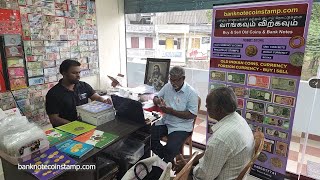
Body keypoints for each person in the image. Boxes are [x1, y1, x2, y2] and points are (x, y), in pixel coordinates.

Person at [175, 87, 254, 180]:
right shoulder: (238, 119)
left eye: (208, 105)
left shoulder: (220, 139)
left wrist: (187, 167)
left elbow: (204, 176)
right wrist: (190, 161)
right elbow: (211, 154)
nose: (205, 107)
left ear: (219, 110)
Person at [151, 66, 198, 163]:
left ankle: (164, 163)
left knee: (171, 148)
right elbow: (155, 97)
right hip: (166, 121)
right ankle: (166, 160)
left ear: (183, 78)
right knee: (148, 137)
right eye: (171, 80)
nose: (173, 83)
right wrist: (157, 100)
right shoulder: (168, 86)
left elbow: (192, 114)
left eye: (176, 80)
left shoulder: (191, 93)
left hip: (181, 126)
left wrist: (172, 112)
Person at [45, 59, 111, 127]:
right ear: (64, 73)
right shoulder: (53, 93)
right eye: (74, 73)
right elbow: (54, 119)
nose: (78, 75)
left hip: (87, 125)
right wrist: (75, 125)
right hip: (67, 129)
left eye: (79, 72)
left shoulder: (84, 86)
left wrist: (104, 101)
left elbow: (96, 97)